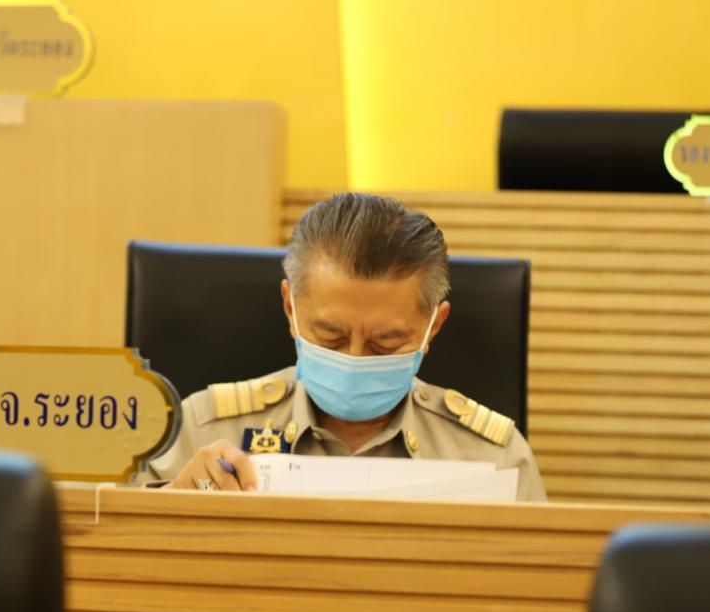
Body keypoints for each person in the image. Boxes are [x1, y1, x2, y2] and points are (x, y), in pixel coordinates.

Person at [142, 192, 547, 501]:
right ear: (290, 308)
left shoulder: (495, 457)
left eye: (385, 342)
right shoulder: (203, 428)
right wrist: (177, 503)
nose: (353, 359)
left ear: (433, 327)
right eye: (330, 335)